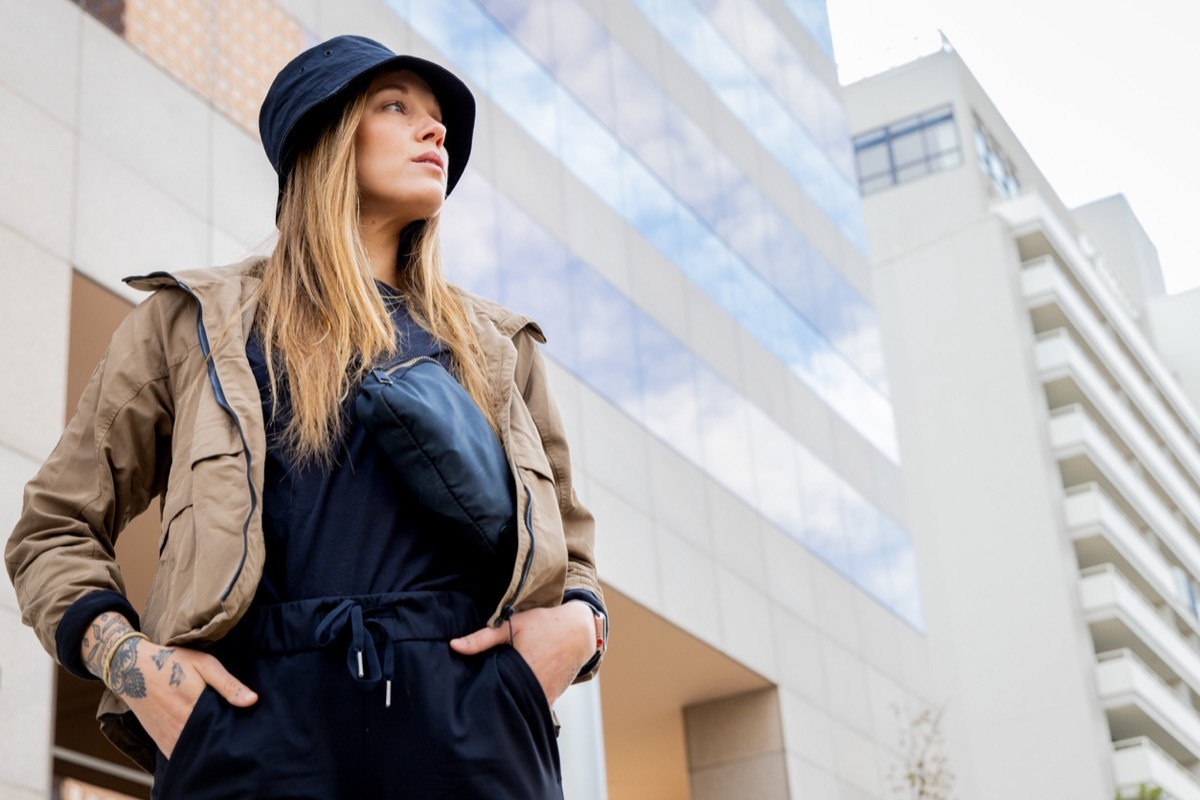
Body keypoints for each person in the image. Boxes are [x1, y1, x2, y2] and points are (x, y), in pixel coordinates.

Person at [5, 35, 606, 799]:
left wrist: (579, 627)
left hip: (472, 726)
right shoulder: (191, 324)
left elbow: (573, 551)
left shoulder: (497, 348)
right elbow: (53, 526)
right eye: (396, 107)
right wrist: (132, 663)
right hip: (251, 723)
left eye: (439, 120)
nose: (437, 132)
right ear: (322, 136)